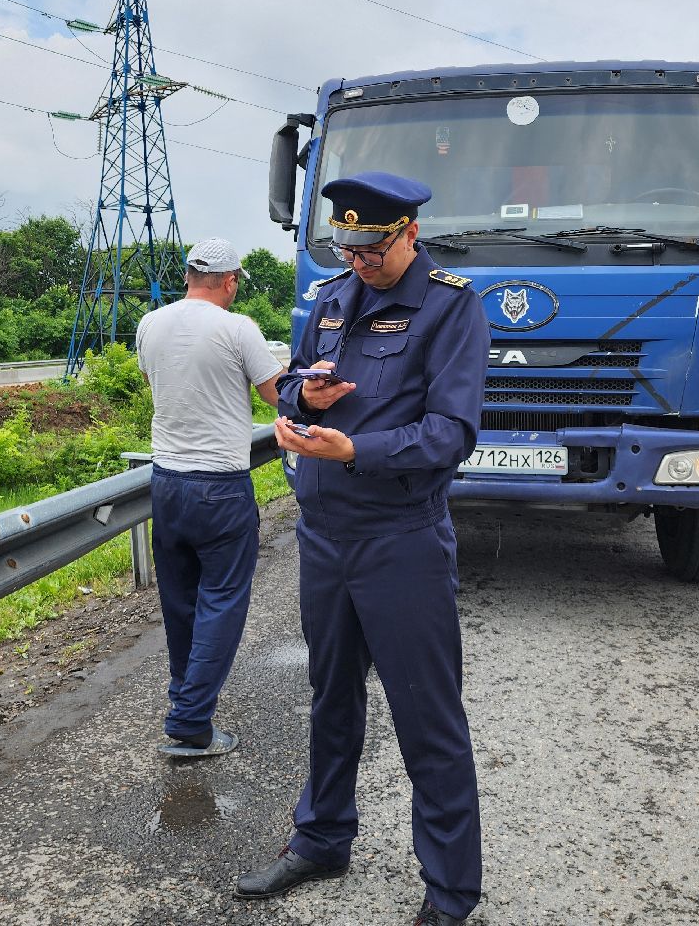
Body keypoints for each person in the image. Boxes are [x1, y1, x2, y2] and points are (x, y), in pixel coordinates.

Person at [235, 173, 488, 926]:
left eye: (371, 249)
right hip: (323, 536)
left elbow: (452, 432)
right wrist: (301, 400)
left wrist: (355, 450)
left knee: (425, 714)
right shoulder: (332, 296)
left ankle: (450, 893)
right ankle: (321, 839)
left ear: (409, 232)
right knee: (331, 697)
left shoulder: (450, 306)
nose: (359, 262)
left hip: (399, 537)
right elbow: (293, 384)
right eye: (347, 248)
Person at [135, 237, 282, 759]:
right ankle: (191, 721)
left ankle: (186, 701)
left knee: (180, 603)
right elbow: (277, 395)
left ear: (189, 276)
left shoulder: (150, 324)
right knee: (222, 601)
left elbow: (154, 380)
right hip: (220, 486)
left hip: (166, 483)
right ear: (230, 280)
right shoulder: (238, 328)